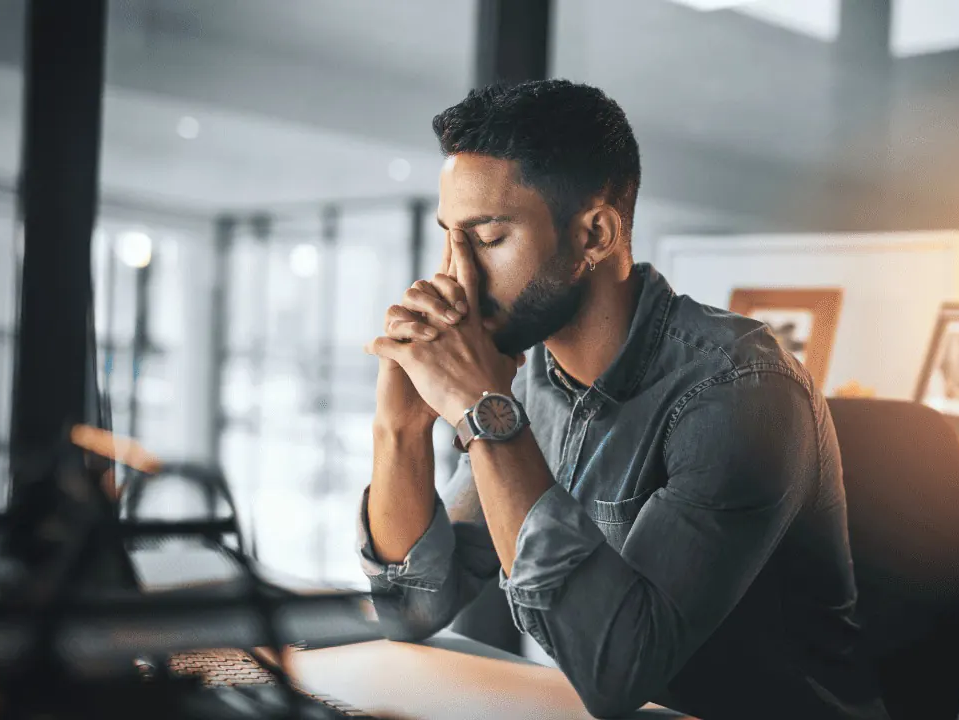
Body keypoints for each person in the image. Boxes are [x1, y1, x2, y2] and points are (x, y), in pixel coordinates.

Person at [359, 80, 886, 720]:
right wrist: (399, 430)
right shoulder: (529, 383)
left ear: (595, 234)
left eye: (489, 239)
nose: (456, 275)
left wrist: (482, 413)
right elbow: (411, 609)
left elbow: (620, 670)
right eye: (449, 238)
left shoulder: (740, 391)